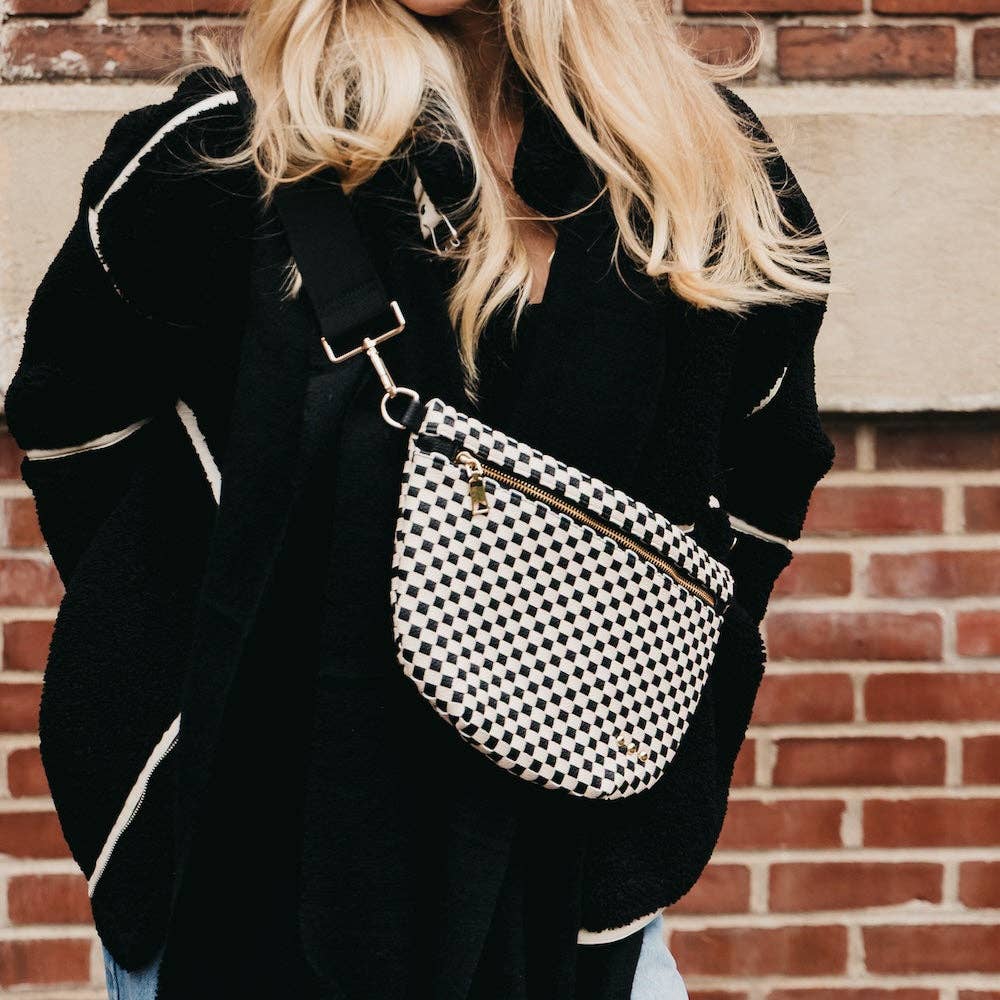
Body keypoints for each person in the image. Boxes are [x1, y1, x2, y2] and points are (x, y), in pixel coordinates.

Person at [4, 1, 836, 997]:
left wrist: (643, 724)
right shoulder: (226, 156)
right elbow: (72, 420)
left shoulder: (702, 174)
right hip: (243, 855)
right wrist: (180, 667)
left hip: (567, 887)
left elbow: (762, 483)